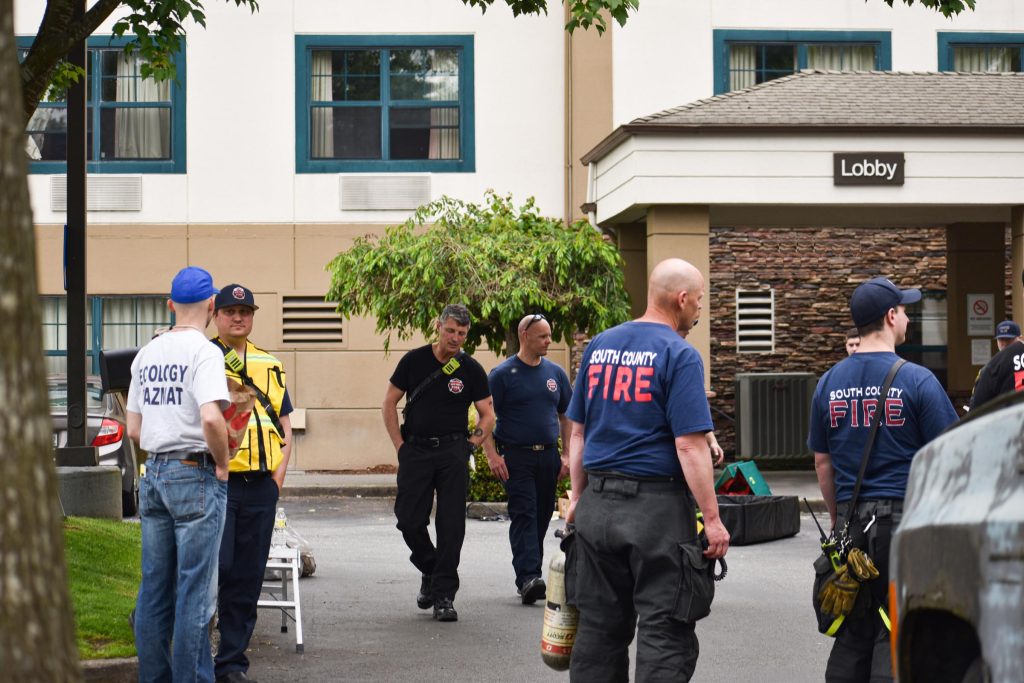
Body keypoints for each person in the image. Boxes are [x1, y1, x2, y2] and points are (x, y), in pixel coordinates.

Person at [565, 258, 729, 681]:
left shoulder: (599, 346)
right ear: (682, 299)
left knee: (598, 627)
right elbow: (689, 445)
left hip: (597, 507)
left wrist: (578, 498)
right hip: (655, 511)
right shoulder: (680, 354)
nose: (700, 309)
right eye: (699, 300)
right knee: (664, 628)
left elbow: (578, 433)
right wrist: (712, 519)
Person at [809, 276, 958, 683]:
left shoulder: (828, 383)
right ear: (891, 317)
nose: (908, 317)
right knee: (896, 628)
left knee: (853, 627)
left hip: (852, 525)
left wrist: (840, 518)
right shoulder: (918, 381)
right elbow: (952, 455)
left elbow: (823, 463)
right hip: (903, 527)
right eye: (905, 310)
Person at [127, 266, 230, 683]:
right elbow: (212, 418)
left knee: (154, 589)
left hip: (153, 472)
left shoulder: (146, 353)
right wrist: (222, 463)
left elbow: (134, 429)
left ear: (170, 305)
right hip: (194, 472)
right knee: (194, 594)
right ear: (212, 305)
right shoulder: (205, 352)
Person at [382, 304, 495, 622]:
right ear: (438, 327)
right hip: (415, 450)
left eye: (462, 333)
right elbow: (389, 402)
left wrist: (471, 445)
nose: (455, 338)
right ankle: (430, 569)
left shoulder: (470, 369)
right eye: (451, 331)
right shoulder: (414, 360)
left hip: (452, 453)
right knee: (408, 519)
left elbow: (488, 415)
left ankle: (444, 595)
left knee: (451, 525)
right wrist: (400, 446)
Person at [211, 284, 294, 683]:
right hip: (219, 481)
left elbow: (285, 424)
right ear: (215, 315)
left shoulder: (269, 363)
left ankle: (231, 664)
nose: (238, 318)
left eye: (245, 312)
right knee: (218, 567)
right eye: (230, 311)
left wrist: (278, 480)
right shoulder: (204, 357)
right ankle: (193, 649)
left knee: (247, 577)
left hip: (261, 484)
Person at [483, 313, 572, 604]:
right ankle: (528, 577)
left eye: (549, 335)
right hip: (516, 457)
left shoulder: (555, 373)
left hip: (548, 456)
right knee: (525, 514)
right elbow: (486, 416)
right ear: (524, 336)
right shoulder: (502, 375)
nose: (549, 341)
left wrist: (566, 454)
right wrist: (492, 455)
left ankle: (530, 574)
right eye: (543, 336)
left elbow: (566, 415)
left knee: (543, 515)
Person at [969, 319, 1024, 409]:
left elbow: (977, 405)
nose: (1004, 344)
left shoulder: (993, 367)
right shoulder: (991, 367)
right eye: (1001, 339)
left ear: (1020, 338)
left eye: (1009, 339)